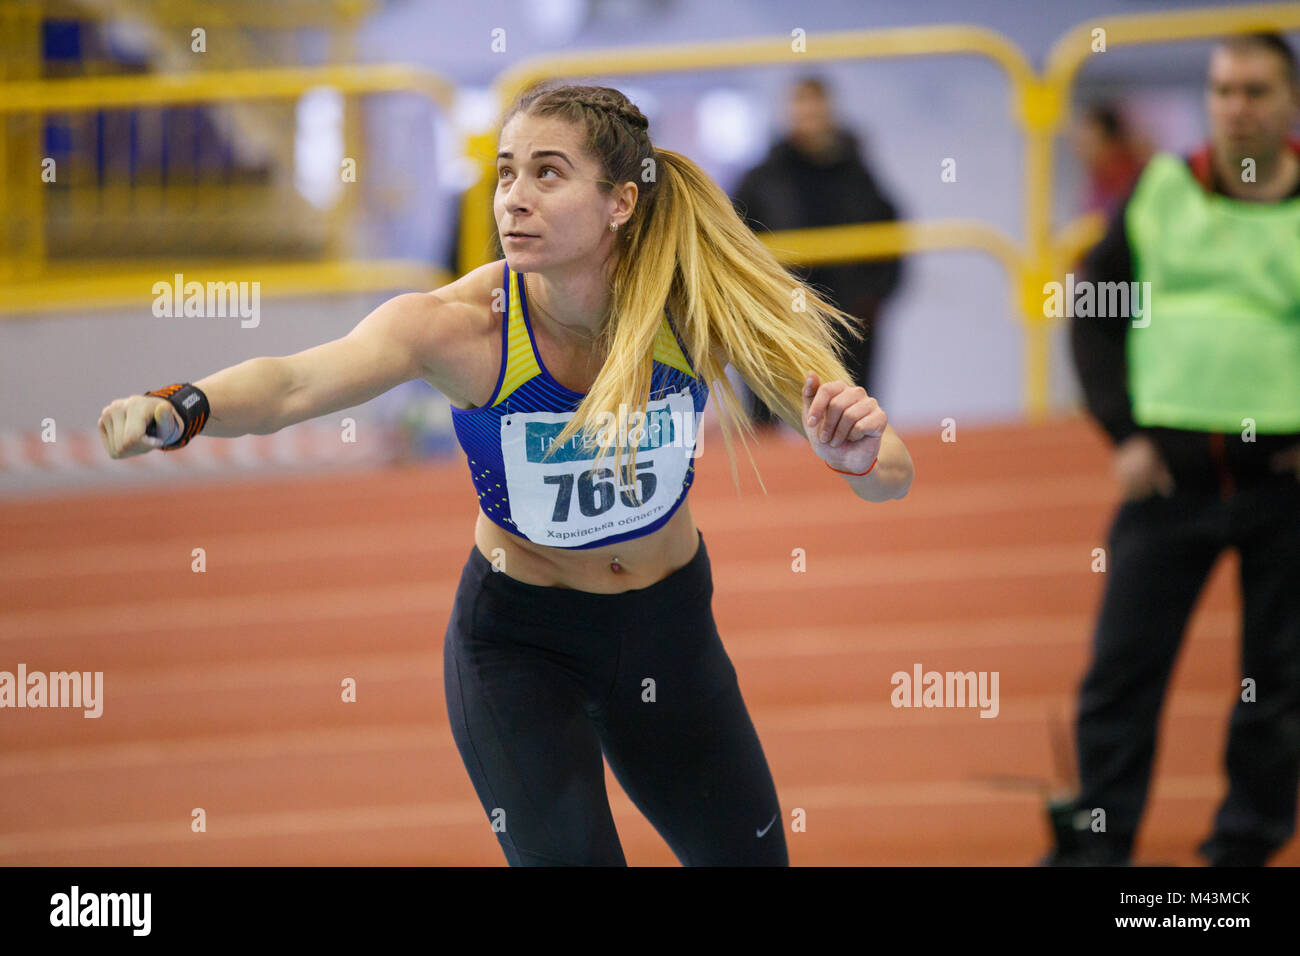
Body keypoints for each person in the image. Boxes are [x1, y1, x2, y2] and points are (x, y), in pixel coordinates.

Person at [97, 82, 915, 866]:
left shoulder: (694, 305)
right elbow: (295, 382)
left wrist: (859, 459)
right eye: (506, 173)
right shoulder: (458, 329)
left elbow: (890, 471)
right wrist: (183, 406)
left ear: (620, 201)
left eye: (547, 173)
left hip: (669, 633)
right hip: (520, 647)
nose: (513, 198)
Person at [1052, 33, 1300, 867]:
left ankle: (1242, 854)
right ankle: (1097, 847)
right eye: (1224, 89)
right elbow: (1094, 311)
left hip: (1285, 484)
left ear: (1289, 102)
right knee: (1121, 675)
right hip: (1170, 481)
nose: (1238, 106)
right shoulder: (1159, 191)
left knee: (1280, 687)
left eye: (1257, 90)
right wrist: (1121, 432)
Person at [731, 76, 904, 426]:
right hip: (778, 315)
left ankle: (857, 479)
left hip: (848, 316)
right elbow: (733, 239)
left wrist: (874, 297)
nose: (809, 118)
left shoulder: (858, 175)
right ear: (789, 114)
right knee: (765, 421)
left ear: (829, 112)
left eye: (816, 109)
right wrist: (750, 304)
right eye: (801, 109)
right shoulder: (762, 179)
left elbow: (890, 232)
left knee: (855, 420)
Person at [1069, 102, 1150, 217]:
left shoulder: (1130, 178)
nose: (1080, 150)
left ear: (1111, 141)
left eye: (1089, 142)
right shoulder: (1099, 182)